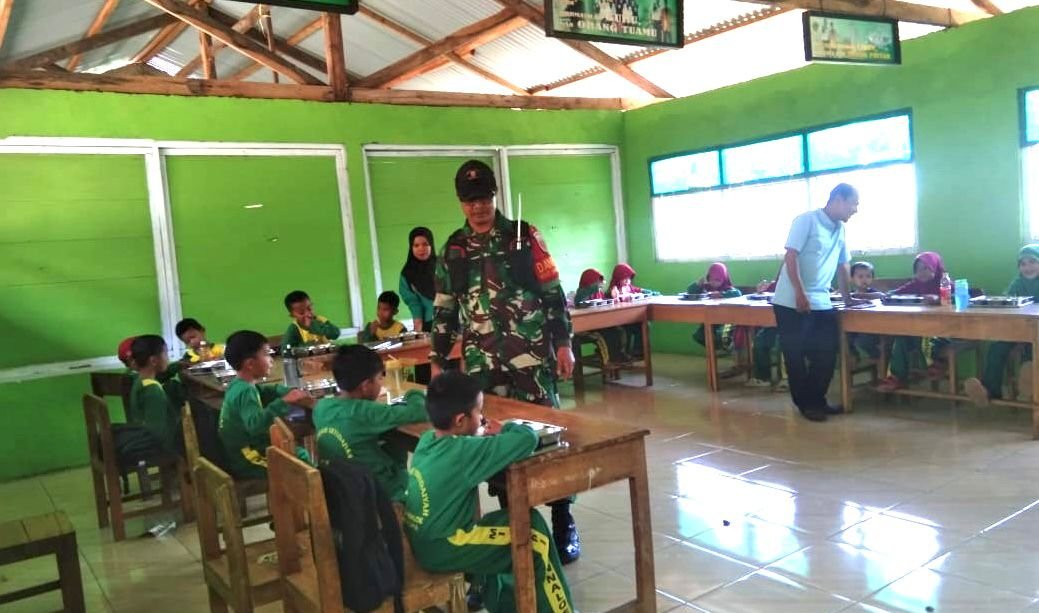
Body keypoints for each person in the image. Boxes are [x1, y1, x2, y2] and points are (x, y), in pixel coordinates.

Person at [429, 159, 579, 565]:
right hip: (483, 365)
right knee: (493, 442)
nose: (478, 207)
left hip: (531, 359)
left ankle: (563, 518)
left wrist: (563, 343)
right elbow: (444, 309)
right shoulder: (454, 249)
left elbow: (552, 292)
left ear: (495, 196)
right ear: (460, 203)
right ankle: (513, 518)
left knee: (548, 438)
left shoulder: (523, 236)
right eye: (469, 201)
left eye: (484, 198)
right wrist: (438, 360)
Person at [404, 371, 574, 613]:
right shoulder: (464, 451)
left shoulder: (428, 440)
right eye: (479, 412)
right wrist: (505, 428)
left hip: (423, 540)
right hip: (445, 545)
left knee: (501, 528)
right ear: (460, 420)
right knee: (533, 530)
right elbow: (527, 440)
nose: (482, 418)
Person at [772, 183, 865, 422]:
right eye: (853, 204)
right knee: (795, 356)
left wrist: (847, 298)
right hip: (791, 301)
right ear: (838, 199)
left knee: (826, 353)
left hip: (822, 301)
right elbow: (791, 256)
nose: (855, 209)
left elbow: (843, 265)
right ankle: (806, 405)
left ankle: (817, 400)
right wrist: (800, 292)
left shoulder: (840, 229)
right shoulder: (807, 220)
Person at [313, 345, 427, 501]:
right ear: (366, 386)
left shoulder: (322, 407)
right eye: (380, 378)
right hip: (382, 493)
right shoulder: (365, 412)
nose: (382, 383)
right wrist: (414, 393)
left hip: (343, 490)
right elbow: (420, 412)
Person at [219, 330, 314, 480]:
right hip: (248, 458)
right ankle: (314, 490)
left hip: (246, 450)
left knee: (299, 453)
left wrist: (289, 391)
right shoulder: (245, 391)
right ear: (250, 364)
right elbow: (256, 425)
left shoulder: (240, 384)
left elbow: (266, 390)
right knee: (300, 463)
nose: (271, 360)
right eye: (266, 354)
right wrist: (284, 401)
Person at [965, 244, 1039, 405]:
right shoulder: (1017, 283)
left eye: (1033, 262)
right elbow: (1007, 300)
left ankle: (1031, 384)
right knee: (996, 349)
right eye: (1023, 264)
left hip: (1036, 333)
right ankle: (989, 391)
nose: (1028, 267)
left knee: (1032, 351)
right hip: (1016, 330)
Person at [876, 252, 950, 392]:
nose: (921, 272)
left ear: (936, 268)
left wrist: (938, 299)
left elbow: (962, 297)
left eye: (926, 268)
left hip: (942, 332)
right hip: (917, 331)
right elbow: (895, 293)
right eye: (918, 269)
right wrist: (886, 295)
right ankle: (896, 377)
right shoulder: (915, 285)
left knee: (926, 337)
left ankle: (935, 365)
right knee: (901, 337)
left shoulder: (945, 284)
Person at [128, 335, 183, 455]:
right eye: (166, 354)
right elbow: (158, 433)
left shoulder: (139, 380)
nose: (168, 358)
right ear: (153, 361)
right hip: (160, 449)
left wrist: (179, 365)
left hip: (143, 438)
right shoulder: (152, 390)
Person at [574, 268, 628, 365]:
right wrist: (596, 287)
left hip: (601, 324)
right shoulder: (582, 292)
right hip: (588, 326)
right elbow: (579, 301)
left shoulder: (598, 293)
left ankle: (617, 356)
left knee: (618, 331)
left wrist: (611, 296)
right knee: (605, 336)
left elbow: (604, 301)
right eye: (596, 282)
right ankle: (609, 361)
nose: (600, 285)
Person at [688, 262, 742, 352]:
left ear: (724, 279)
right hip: (710, 319)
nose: (714, 282)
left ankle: (725, 346)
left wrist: (721, 294)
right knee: (699, 335)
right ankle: (714, 350)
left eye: (717, 280)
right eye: (711, 279)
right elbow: (690, 291)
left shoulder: (727, 288)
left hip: (725, 321)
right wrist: (697, 284)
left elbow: (738, 293)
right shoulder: (706, 287)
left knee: (720, 335)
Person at [607, 263, 654, 359]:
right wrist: (616, 297)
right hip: (619, 320)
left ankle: (639, 351)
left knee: (644, 324)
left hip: (630, 318)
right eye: (624, 279)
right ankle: (625, 353)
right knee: (625, 330)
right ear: (618, 278)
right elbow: (611, 302)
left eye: (629, 279)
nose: (627, 281)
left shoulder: (628, 287)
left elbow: (637, 290)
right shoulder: (613, 290)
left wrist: (646, 292)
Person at [400, 227, 438, 334]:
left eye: (425, 244)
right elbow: (413, 302)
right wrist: (418, 328)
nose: (421, 249)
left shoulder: (443, 267)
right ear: (411, 247)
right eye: (416, 245)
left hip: (454, 321)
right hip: (429, 324)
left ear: (431, 245)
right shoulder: (407, 274)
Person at [846, 262, 882, 364]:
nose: (864, 279)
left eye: (868, 276)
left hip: (871, 328)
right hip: (854, 327)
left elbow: (881, 295)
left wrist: (860, 296)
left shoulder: (872, 292)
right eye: (860, 276)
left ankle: (877, 355)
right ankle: (854, 355)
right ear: (852, 279)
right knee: (844, 338)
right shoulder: (849, 294)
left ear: (872, 278)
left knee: (863, 341)